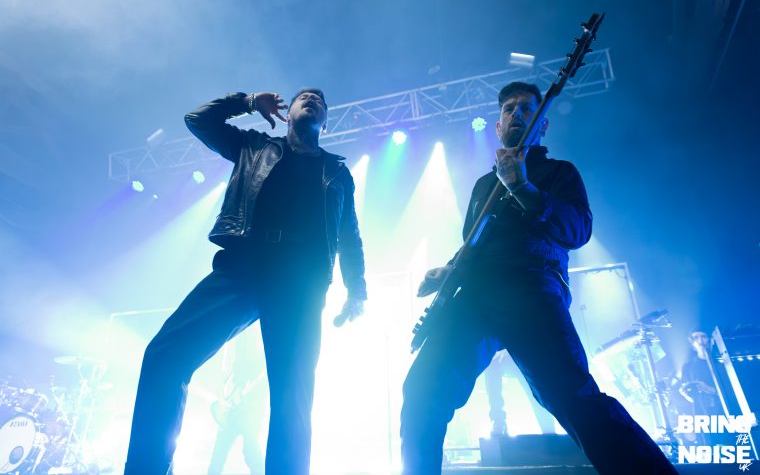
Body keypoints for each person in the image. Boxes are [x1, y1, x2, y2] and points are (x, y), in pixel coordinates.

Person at [399, 82, 678, 475]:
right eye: (508, 109)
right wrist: (449, 268)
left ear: (542, 124)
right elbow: (474, 245)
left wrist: (523, 187)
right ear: (498, 127)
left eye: (527, 109)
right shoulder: (483, 186)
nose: (516, 114)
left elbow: (577, 230)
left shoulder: (559, 173)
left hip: (531, 289)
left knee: (575, 399)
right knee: (423, 391)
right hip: (475, 297)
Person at [124, 88, 367, 475]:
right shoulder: (253, 146)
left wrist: (357, 290)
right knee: (164, 355)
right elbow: (198, 120)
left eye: (320, 101)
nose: (312, 99)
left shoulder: (337, 172)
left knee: (292, 396)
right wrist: (248, 103)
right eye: (304, 97)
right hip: (243, 268)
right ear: (288, 113)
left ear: (325, 121)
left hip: (300, 284)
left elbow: (349, 234)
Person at [207, 329, 267, 475]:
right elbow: (225, 380)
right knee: (218, 455)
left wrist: (246, 395)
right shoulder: (237, 359)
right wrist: (223, 399)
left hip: (251, 412)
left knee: (250, 451)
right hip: (232, 412)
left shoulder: (261, 358)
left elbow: (265, 380)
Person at [483, 349, 555, 436]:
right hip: (509, 356)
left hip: (525, 355)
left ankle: (548, 428)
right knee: (491, 364)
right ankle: (498, 423)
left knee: (533, 389)